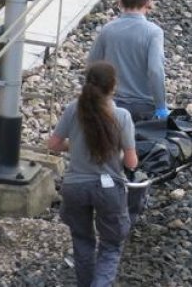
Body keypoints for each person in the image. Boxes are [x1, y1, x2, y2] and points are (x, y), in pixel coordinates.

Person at [47, 62, 138, 287]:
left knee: (82, 241)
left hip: (75, 187)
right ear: (113, 87)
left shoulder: (73, 109)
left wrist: (76, 145)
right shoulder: (122, 116)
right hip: (108, 190)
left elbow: (54, 144)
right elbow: (131, 161)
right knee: (111, 245)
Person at [87, 0, 169, 122]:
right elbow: (155, 70)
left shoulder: (108, 29)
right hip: (144, 106)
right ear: (148, 3)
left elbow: (92, 65)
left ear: (121, 2)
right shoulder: (153, 32)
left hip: (112, 105)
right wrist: (161, 106)